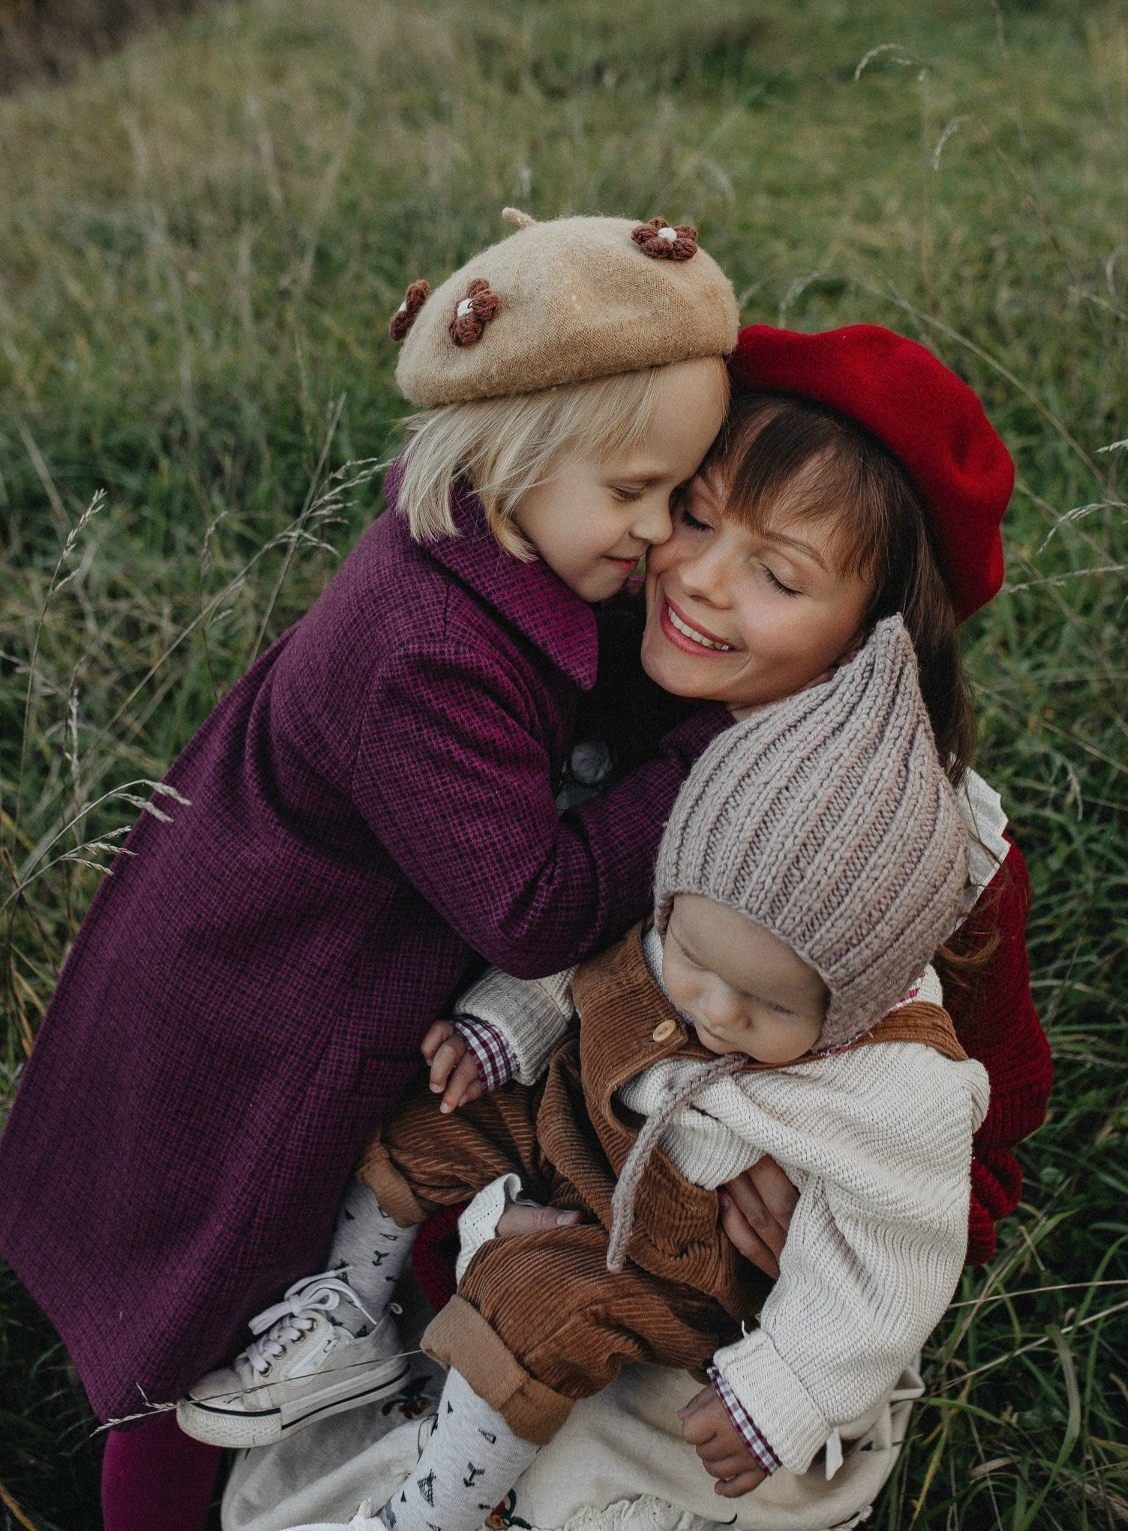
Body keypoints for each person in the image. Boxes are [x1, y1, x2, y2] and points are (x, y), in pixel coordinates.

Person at [0, 210, 742, 1531]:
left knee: (293, 1300)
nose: (656, 531)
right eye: (632, 492)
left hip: (289, 956)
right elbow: (534, 903)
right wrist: (708, 770)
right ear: (517, 450)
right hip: (260, 1007)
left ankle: (320, 1467)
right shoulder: (421, 650)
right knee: (201, 1332)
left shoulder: (492, 551)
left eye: (678, 494)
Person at [199, 619, 989, 1529]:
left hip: (673, 1263)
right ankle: (350, 1311)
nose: (715, 1011)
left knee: (538, 1307)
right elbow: (586, 969)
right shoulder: (694, 901)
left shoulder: (896, 1091)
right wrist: (505, 1025)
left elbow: (889, 1268)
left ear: (859, 995)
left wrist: (782, 1392)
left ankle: (429, 1510)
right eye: (692, 954)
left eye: (770, 1009)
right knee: (430, 1112)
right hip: (574, 1123)